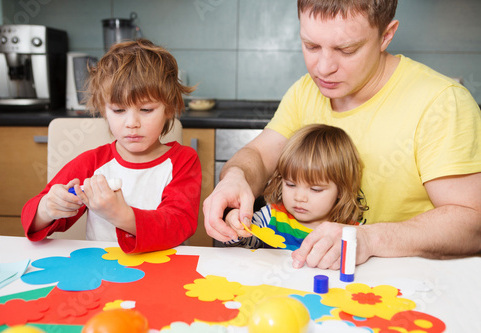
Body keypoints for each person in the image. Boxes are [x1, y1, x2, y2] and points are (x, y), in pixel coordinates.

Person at [204, 0, 481, 269]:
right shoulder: (306, 91)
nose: (323, 68)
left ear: (386, 35)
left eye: (346, 50)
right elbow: (258, 156)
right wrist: (236, 177)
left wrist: (368, 239)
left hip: (414, 289)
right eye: (311, 45)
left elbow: (472, 224)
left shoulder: (442, 103)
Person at [22, 39, 202, 253]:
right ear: (104, 110)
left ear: (169, 109)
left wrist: (121, 215)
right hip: (101, 274)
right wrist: (48, 209)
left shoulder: (183, 161)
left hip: (163, 271)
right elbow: (31, 219)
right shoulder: (93, 163)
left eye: (146, 110)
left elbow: (180, 224)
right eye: (118, 110)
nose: (132, 123)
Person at [225, 124, 368, 250]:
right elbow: (239, 244)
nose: (299, 197)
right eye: (291, 184)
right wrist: (235, 225)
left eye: (315, 189)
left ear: (341, 190)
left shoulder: (353, 231)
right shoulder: (270, 217)